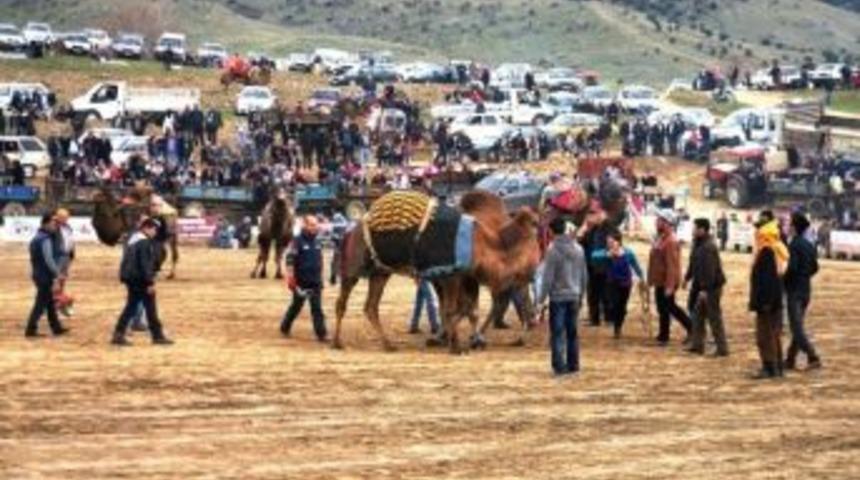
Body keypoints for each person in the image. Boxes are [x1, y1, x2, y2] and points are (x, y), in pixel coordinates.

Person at [536, 217, 588, 376]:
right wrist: (581, 295)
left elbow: (547, 278)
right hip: (574, 295)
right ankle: (574, 365)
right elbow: (584, 275)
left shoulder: (552, 250)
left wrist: (540, 299)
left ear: (551, 231)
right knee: (572, 333)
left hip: (558, 298)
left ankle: (560, 367)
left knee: (558, 333)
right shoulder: (579, 249)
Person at [112, 218, 173, 346]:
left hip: (132, 278)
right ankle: (157, 335)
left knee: (133, 307)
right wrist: (150, 282)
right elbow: (145, 264)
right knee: (148, 308)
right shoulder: (144, 243)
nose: (155, 232)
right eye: (154, 229)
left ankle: (119, 333)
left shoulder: (133, 240)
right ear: (146, 228)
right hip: (140, 280)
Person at [684, 218, 729, 357]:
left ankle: (722, 348)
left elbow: (709, 271)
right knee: (698, 315)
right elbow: (693, 263)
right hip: (703, 285)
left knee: (714, 317)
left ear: (702, 230)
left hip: (712, 287)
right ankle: (698, 345)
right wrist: (687, 278)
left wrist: (705, 290)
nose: (693, 230)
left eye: (695, 228)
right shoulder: (698, 244)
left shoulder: (708, 247)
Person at [784, 212, 822, 370]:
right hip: (806, 289)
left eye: (789, 224)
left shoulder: (794, 245)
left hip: (795, 291)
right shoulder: (809, 245)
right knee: (797, 325)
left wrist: (784, 281)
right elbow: (815, 267)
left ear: (794, 227)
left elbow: (792, 268)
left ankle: (813, 356)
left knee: (796, 328)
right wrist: (805, 276)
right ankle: (790, 359)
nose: (787, 227)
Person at [280, 216, 327, 342]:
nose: (315, 227)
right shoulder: (296, 241)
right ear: (304, 225)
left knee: (317, 308)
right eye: (312, 225)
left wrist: (321, 276)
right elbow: (289, 260)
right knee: (296, 306)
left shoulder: (317, 241)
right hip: (301, 281)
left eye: (316, 225)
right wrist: (291, 278)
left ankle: (321, 334)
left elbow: (320, 259)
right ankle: (285, 327)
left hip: (315, 281)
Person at [589, 230, 644, 339]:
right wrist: (606, 254)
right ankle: (615, 318)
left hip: (625, 283)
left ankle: (618, 327)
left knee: (622, 306)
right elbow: (594, 255)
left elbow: (635, 265)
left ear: (618, 242)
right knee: (612, 304)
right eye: (608, 242)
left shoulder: (628, 253)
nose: (609, 244)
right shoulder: (606, 252)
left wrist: (641, 277)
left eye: (611, 242)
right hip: (611, 282)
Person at [647, 210, 691, 345]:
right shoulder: (661, 238)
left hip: (667, 281)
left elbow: (672, 265)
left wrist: (670, 286)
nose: (656, 222)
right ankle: (663, 334)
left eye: (660, 220)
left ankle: (691, 328)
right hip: (660, 281)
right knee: (663, 308)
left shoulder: (671, 241)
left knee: (670, 307)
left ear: (667, 223)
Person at [25, 213, 70, 338]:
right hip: (44, 275)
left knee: (49, 303)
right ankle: (30, 329)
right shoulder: (45, 239)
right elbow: (48, 259)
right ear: (45, 223)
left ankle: (56, 328)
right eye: (52, 223)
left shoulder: (37, 237)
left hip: (38, 273)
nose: (55, 225)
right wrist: (58, 273)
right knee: (40, 303)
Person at [53, 208, 76, 318]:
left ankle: (61, 307)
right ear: (57, 217)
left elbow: (71, 240)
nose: (65, 219)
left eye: (67, 217)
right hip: (57, 257)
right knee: (55, 282)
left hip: (66, 257)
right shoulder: (53, 227)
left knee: (62, 281)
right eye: (63, 217)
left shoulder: (68, 227)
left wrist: (71, 254)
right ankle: (53, 308)